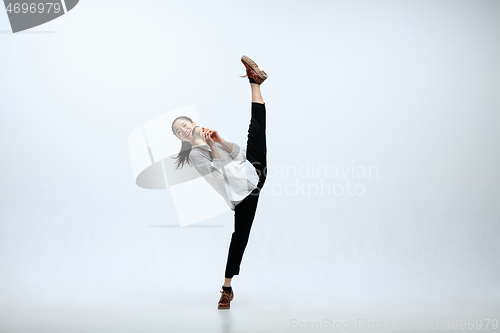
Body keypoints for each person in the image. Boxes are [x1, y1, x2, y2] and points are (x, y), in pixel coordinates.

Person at [170, 55, 268, 309]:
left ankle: (254, 82)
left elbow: (238, 154)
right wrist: (211, 145)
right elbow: (217, 171)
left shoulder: (209, 136)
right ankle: (227, 288)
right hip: (243, 194)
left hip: (253, 171)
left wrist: (219, 139)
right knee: (240, 237)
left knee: (255, 129)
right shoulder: (194, 154)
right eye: (179, 131)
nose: (183, 130)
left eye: (184, 125)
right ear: (181, 137)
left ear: (193, 123)